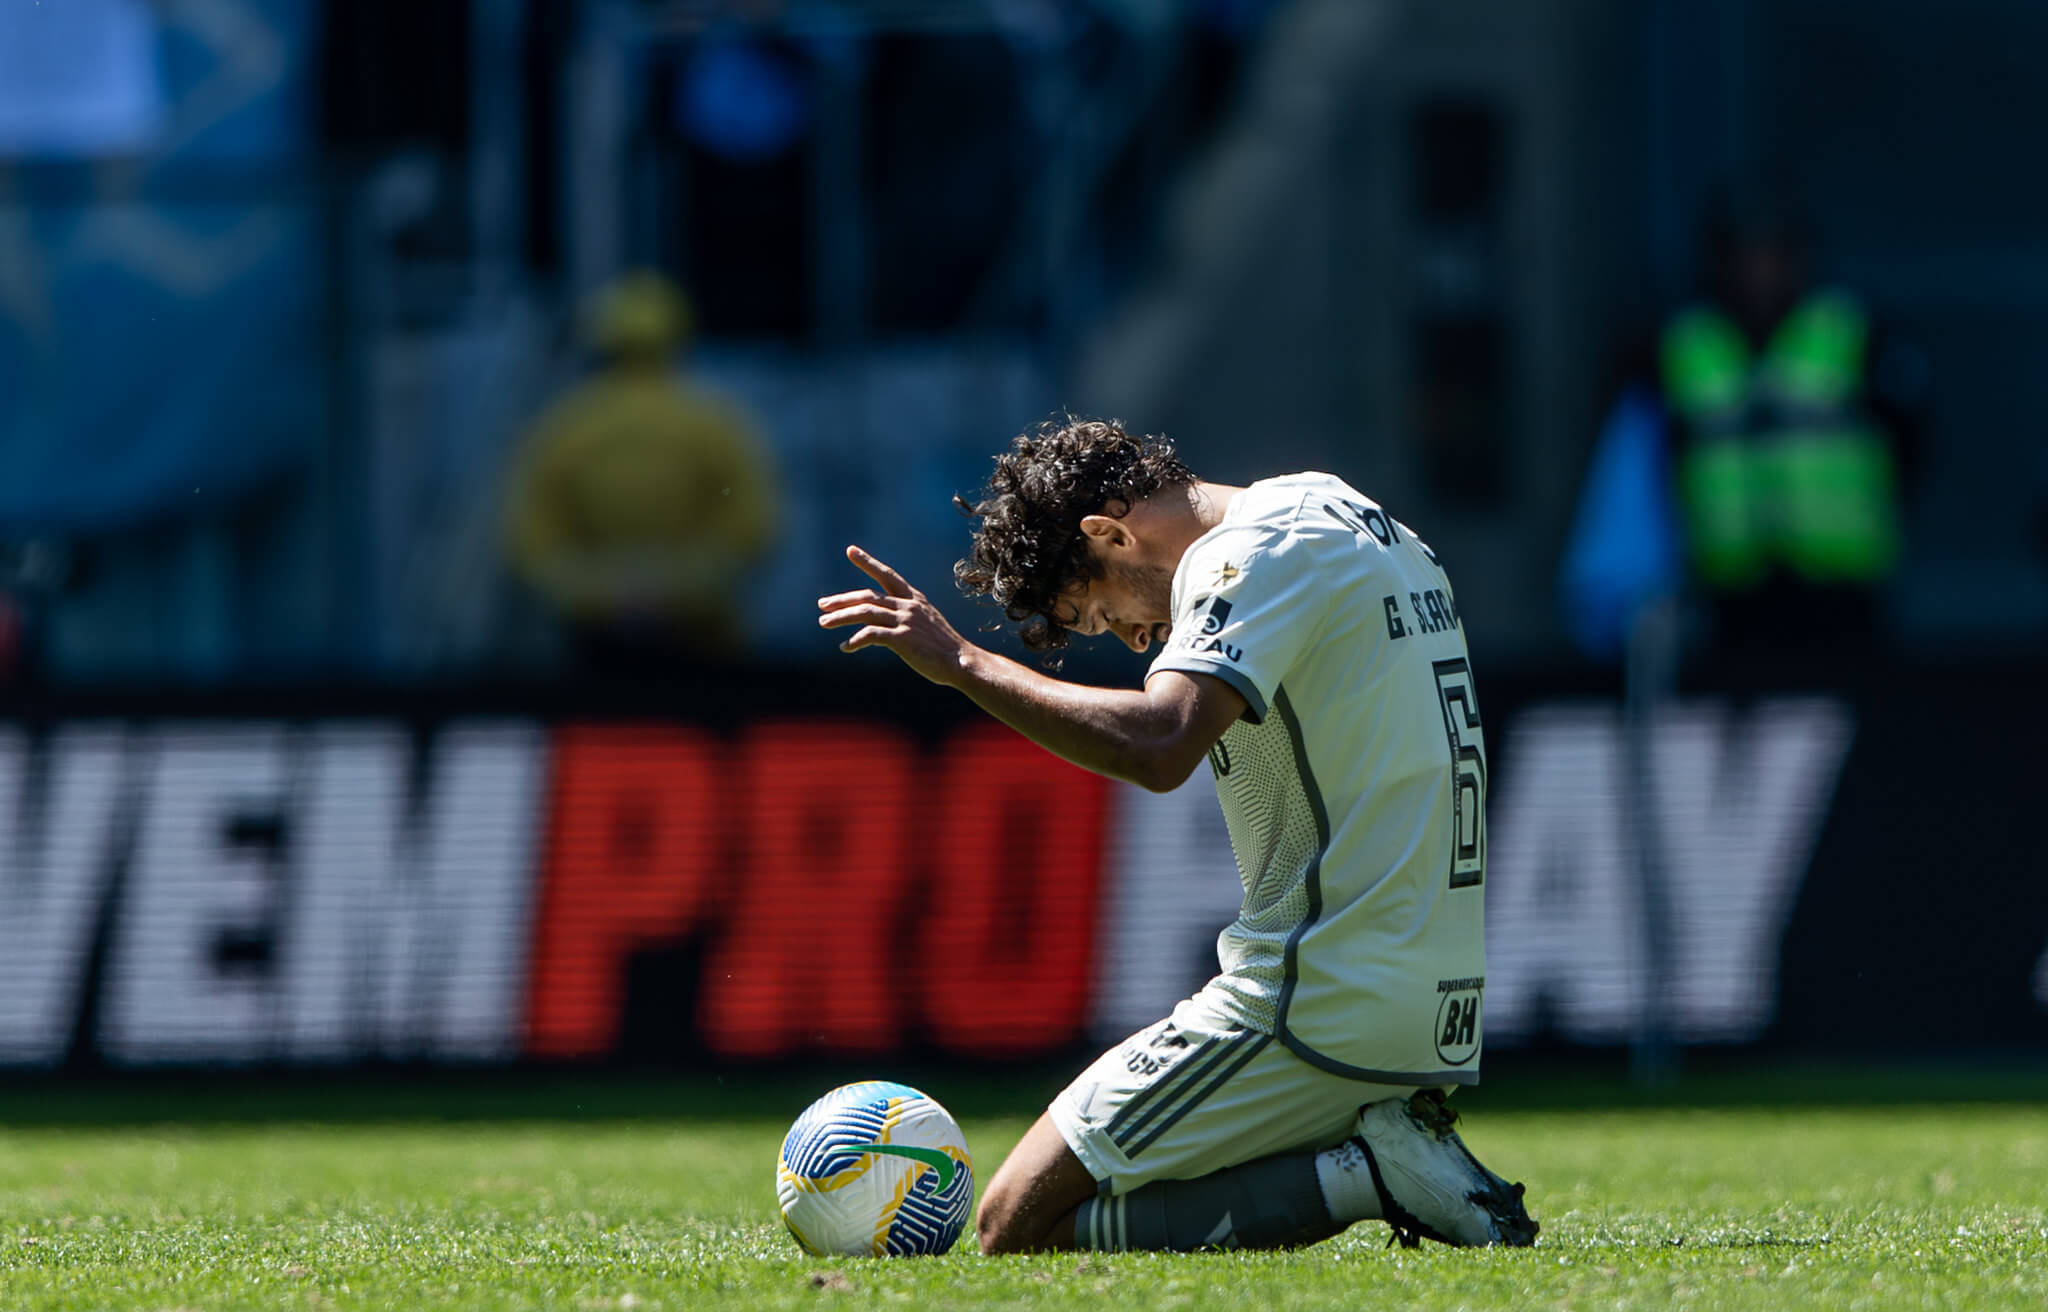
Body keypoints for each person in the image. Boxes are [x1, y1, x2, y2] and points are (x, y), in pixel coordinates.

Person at [816, 417, 1538, 1253]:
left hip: (1316, 1001)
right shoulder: (1352, 516)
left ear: (1109, 532)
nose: (1133, 637)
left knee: (1009, 1221)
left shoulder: (1249, 554)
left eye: (1099, 608)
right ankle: (1374, 1151)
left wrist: (962, 662)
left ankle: (1363, 1172)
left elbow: (1160, 745)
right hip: (1432, 1000)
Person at [1562, 190, 1926, 664]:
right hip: (1726, 601)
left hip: (1843, 595)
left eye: (1773, 254)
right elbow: (1637, 473)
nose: (1759, 272)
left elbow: (1914, 447)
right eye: (1745, 255)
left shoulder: (1854, 331)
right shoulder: (1677, 345)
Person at [504, 273, 777, 676]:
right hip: (701, 640)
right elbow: (754, 525)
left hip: (592, 642)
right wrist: (687, 584)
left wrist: (591, 589)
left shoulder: (564, 428)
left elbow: (530, 538)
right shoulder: (715, 424)